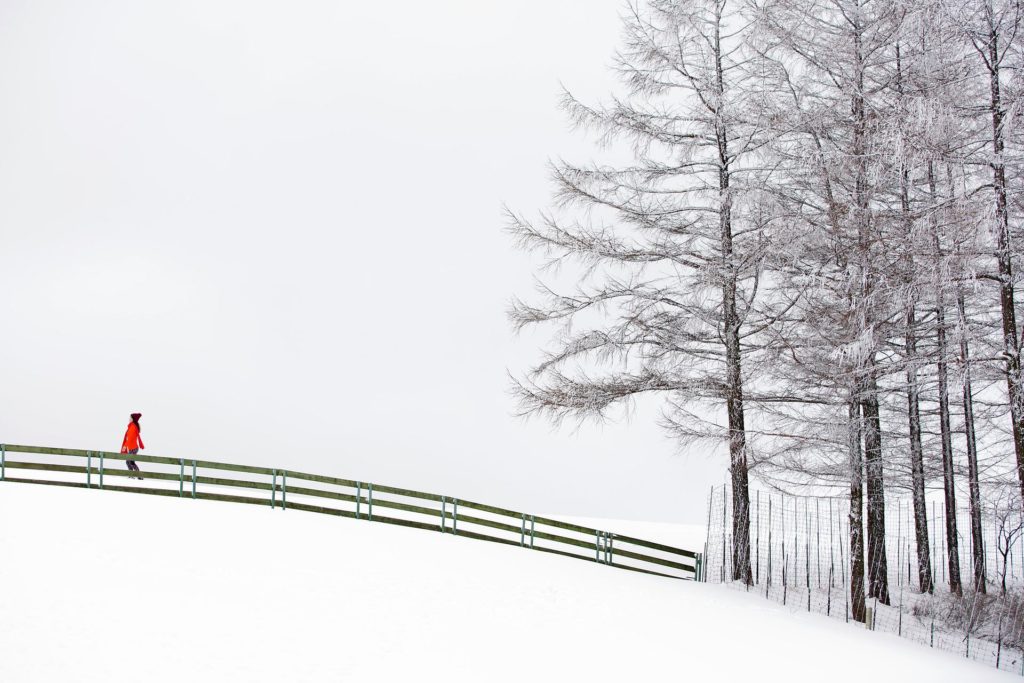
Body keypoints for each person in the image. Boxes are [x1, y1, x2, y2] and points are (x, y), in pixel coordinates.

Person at [121, 412, 145, 480]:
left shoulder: (133, 427)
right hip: (132, 447)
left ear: (132, 419)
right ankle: (135, 475)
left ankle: (135, 476)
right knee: (130, 461)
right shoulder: (132, 426)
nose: (129, 419)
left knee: (130, 461)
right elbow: (128, 438)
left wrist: (125, 446)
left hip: (133, 448)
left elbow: (130, 438)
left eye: (130, 418)